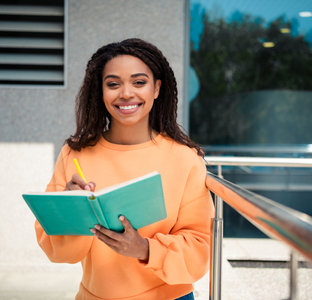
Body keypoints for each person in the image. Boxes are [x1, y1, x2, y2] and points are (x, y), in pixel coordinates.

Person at [35, 38, 214, 300]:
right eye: (113, 84)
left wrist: (145, 249)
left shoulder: (184, 159)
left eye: (139, 82)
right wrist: (69, 207)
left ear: (156, 88)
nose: (126, 93)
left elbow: (201, 248)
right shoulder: (74, 154)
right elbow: (56, 250)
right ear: (101, 91)